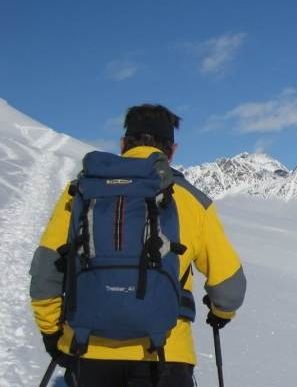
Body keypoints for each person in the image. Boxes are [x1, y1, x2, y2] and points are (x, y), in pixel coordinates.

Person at [29, 104, 247, 386]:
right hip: (165, 354)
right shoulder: (190, 199)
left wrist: (52, 333)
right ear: (171, 151)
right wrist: (221, 313)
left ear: (123, 144)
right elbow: (229, 286)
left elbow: (45, 274)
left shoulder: (81, 192)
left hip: (86, 349)